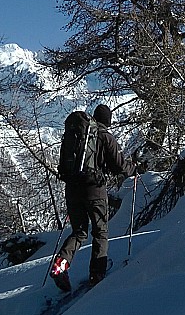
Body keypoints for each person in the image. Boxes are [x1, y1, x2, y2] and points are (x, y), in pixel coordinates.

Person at [50, 104, 138, 290]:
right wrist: (134, 169)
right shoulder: (105, 136)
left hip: (72, 188)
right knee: (100, 231)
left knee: (79, 232)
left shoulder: (76, 134)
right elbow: (119, 166)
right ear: (107, 121)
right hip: (94, 190)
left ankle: (61, 264)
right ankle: (97, 274)